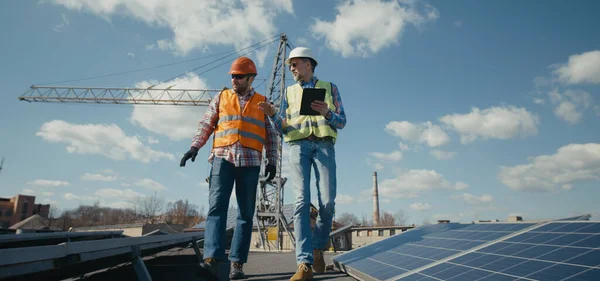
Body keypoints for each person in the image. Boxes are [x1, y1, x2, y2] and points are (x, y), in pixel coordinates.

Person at [180, 56, 279, 280]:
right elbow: (206, 123)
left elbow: (271, 135)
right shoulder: (221, 97)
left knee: (245, 214)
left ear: (251, 78)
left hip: (251, 162)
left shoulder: (263, 102)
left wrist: (272, 160)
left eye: (239, 76)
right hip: (222, 158)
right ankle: (211, 259)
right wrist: (195, 146)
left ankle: (237, 264)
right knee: (216, 208)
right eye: (232, 76)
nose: (234, 79)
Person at [258, 47, 347, 281]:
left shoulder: (330, 88)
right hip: (298, 147)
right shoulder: (288, 93)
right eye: (289, 65)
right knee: (301, 202)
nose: (291, 69)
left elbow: (343, 121)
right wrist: (271, 114)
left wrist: (327, 112)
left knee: (327, 203)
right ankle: (304, 263)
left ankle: (318, 248)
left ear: (308, 63)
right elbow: (282, 126)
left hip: (324, 147)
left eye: (295, 64)